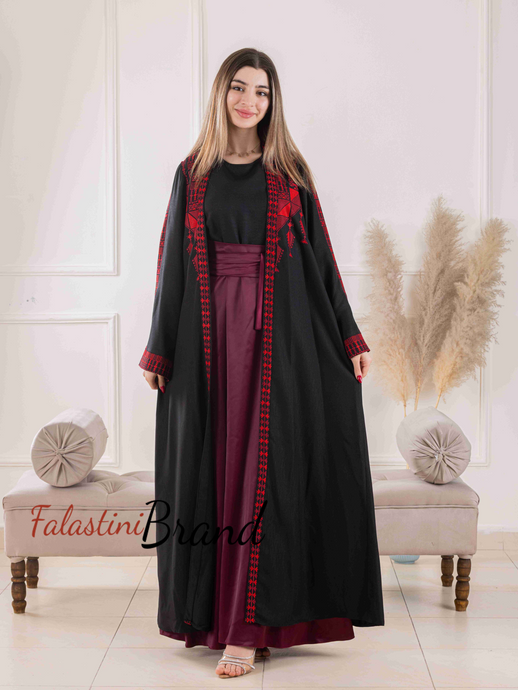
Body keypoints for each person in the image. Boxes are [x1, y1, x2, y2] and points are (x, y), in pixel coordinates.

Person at [140, 48, 384, 680]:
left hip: (281, 340)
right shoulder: (192, 173)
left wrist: (350, 338)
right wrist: (159, 347)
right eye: (240, 87)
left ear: (274, 102)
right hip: (207, 341)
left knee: (263, 474)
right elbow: (171, 264)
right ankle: (223, 620)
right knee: (218, 474)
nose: (250, 101)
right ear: (221, 93)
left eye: (262, 91)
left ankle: (248, 631)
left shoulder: (290, 173)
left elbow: (323, 260)